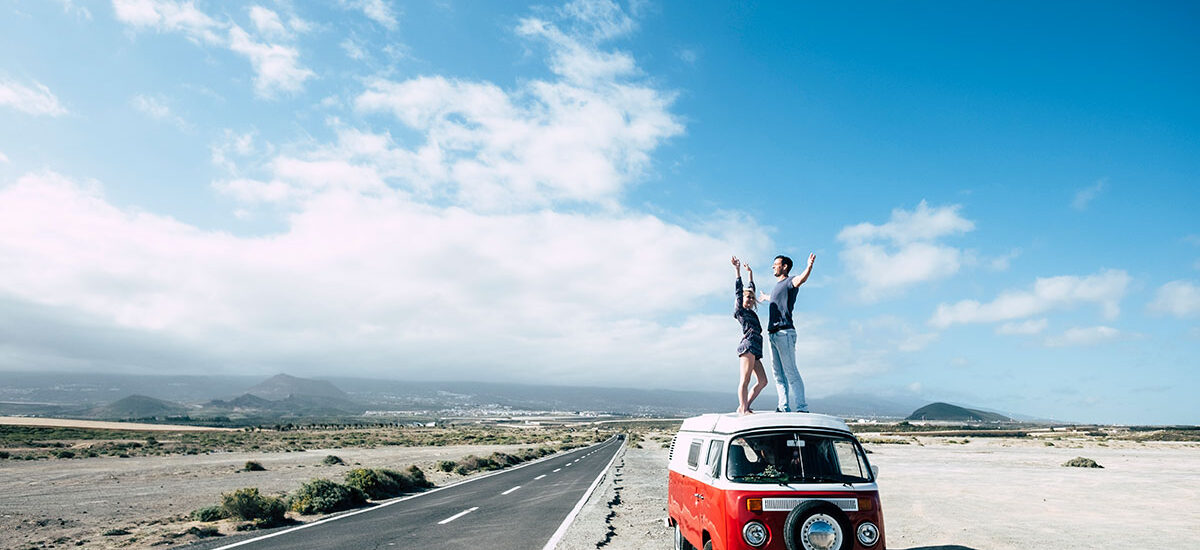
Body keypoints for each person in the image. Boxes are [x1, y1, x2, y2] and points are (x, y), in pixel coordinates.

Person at [757, 253, 815, 412]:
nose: (773, 266)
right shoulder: (777, 287)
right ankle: (783, 406)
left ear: (784, 267)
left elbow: (801, 279)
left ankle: (802, 407)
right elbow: (775, 298)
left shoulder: (790, 281)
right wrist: (765, 297)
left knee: (791, 372)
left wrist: (809, 266)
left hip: (785, 333)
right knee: (778, 374)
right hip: (773, 334)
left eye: (776, 264)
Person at [731, 256, 769, 415]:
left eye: (752, 298)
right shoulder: (740, 311)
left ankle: (745, 405)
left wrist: (750, 274)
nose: (751, 299)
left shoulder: (751, 312)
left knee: (763, 381)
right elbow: (739, 291)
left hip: (756, 347)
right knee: (745, 380)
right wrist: (738, 271)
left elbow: (751, 288)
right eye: (748, 297)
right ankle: (743, 408)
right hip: (748, 345)